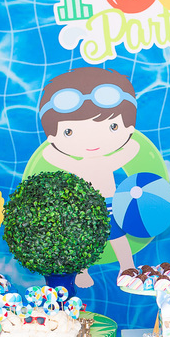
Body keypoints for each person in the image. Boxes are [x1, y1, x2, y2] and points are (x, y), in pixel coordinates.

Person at [38, 67, 141, 286]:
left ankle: (127, 266)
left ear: (128, 128)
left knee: (117, 236)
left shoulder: (104, 161)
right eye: (69, 132)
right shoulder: (77, 164)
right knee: (82, 241)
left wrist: (126, 133)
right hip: (83, 207)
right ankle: (82, 271)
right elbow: (49, 154)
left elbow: (132, 147)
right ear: (53, 137)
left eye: (112, 126)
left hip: (110, 203)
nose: (91, 140)